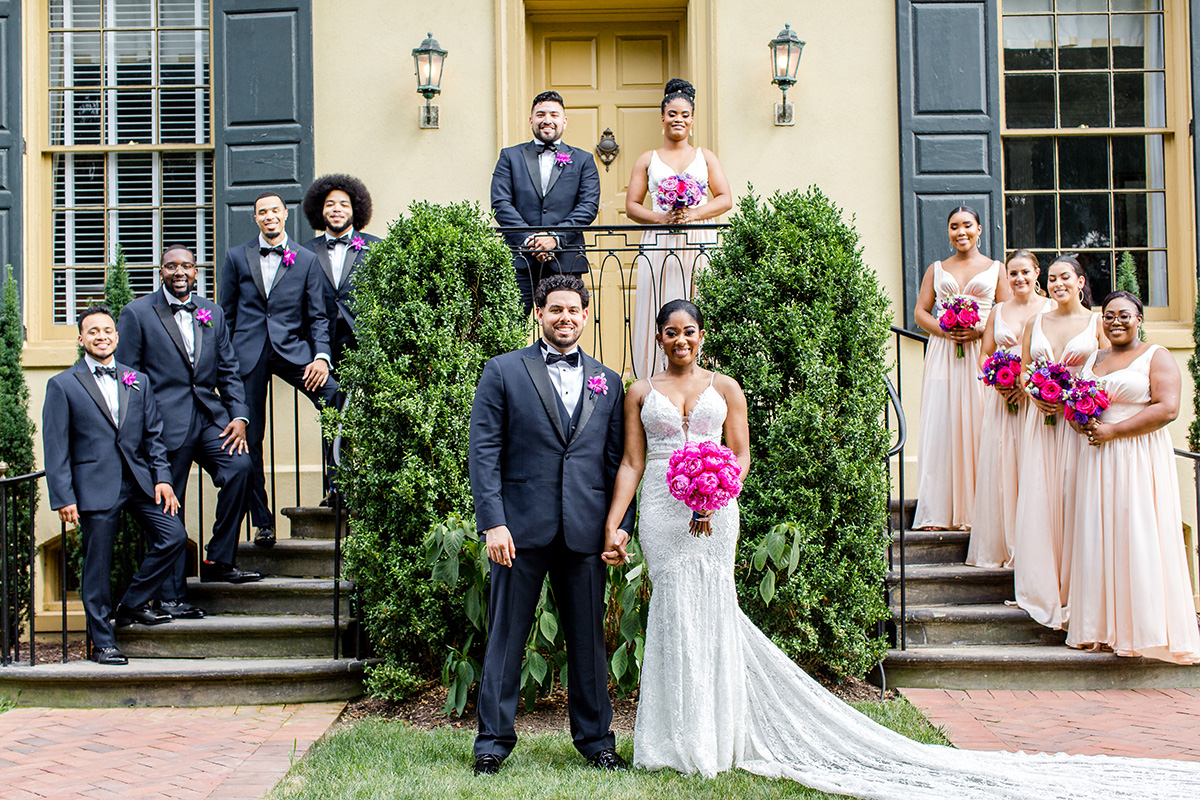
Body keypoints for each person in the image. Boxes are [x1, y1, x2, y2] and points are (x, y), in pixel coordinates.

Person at [600, 299, 1200, 797]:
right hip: (661, 511)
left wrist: (715, 494)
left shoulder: (726, 387)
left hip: (714, 512)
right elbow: (633, 461)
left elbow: (741, 455)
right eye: (670, 333)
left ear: (702, 337)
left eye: (689, 332)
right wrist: (615, 524)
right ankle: (670, 738)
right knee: (672, 610)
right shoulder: (638, 391)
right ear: (659, 337)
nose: (680, 340)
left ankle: (716, 733)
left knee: (712, 609)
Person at [468, 274, 634, 775]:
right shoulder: (502, 371)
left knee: (588, 644)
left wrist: (620, 525)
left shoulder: (608, 380)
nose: (565, 317)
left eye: (574, 310)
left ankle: (598, 742)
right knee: (505, 639)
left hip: (585, 533)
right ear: (538, 313)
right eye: (554, 309)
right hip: (517, 532)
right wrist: (493, 523)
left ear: (586, 316)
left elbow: (617, 461)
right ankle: (492, 744)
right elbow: (484, 452)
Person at [43, 304, 187, 666]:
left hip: (139, 482)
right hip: (94, 485)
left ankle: (132, 604)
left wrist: (163, 480)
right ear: (81, 339)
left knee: (174, 537)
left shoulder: (137, 380)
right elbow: (56, 446)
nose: (101, 337)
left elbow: (154, 437)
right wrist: (63, 496)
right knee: (96, 568)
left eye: (107, 331)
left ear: (116, 336)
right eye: (93, 332)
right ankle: (102, 643)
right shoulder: (62, 385)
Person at [117, 244, 262, 594]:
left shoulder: (211, 312)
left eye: (186, 266)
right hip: (164, 424)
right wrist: (141, 428)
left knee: (240, 469)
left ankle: (218, 560)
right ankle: (171, 596)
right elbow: (128, 378)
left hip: (210, 417)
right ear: (161, 271)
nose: (179, 272)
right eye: (171, 267)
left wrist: (239, 416)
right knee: (171, 504)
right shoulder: (138, 314)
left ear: (196, 272)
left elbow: (228, 369)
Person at [1066, 291, 1200, 664]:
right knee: (1098, 535)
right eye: (1108, 316)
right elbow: (1078, 403)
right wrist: (1082, 422)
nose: (1116, 322)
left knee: (1137, 534)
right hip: (1096, 457)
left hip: (1137, 457)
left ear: (1139, 319)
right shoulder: (1094, 358)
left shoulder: (1156, 357)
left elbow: (1168, 409)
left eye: (1124, 315)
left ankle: (1143, 630)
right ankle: (1102, 628)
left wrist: (1115, 431)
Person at [218, 191, 340, 548]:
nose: (269, 216)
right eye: (262, 212)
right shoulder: (237, 257)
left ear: (285, 214)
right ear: (255, 218)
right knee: (249, 434)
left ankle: (336, 490)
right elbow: (226, 316)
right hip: (247, 353)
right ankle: (263, 522)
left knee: (335, 398)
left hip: (292, 351)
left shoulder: (305, 259)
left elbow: (318, 315)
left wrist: (320, 356)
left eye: (274, 210)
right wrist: (224, 367)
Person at [1012, 254, 1105, 630]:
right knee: (1041, 497)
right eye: (1051, 278)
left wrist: (1083, 398)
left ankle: (1078, 588)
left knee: (1073, 497)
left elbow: (1109, 369)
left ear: (1081, 282)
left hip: (1079, 425)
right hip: (1042, 421)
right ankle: (1043, 586)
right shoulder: (1035, 322)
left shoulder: (1097, 322)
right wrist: (1036, 395)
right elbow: (1022, 372)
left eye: (1065, 277)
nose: (1058, 284)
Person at [626, 78, 731, 379]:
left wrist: (694, 214)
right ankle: (652, 376)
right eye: (672, 114)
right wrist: (662, 217)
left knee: (699, 299)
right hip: (660, 241)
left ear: (692, 120)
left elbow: (725, 198)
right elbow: (633, 206)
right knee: (661, 300)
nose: (678, 120)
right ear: (662, 119)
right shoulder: (647, 159)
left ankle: (704, 376)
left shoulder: (705, 156)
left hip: (699, 239)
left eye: (685, 115)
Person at [912, 206, 1008, 531]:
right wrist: (945, 329)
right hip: (943, 352)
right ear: (949, 232)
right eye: (954, 226)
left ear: (980, 229)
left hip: (981, 352)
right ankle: (938, 512)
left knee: (979, 423)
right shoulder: (936, 269)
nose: (961, 232)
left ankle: (977, 512)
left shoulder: (997, 269)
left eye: (967, 225)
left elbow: (1008, 314)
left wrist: (980, 331)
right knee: (943, 424)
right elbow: (920, 312)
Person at [966, 250, 1052, 568]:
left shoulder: (1050, 309)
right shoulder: (998, 311)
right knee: (1004, 467)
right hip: (1003, 402)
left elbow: (1054, 354)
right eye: (1013, 274)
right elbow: (985, 354)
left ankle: (1035, 549)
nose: (1019, 279)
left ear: (1036, 273)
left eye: (1025, 272)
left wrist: (1027, 385)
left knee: (1034, 468)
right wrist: (999, 381)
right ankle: (1004, 543)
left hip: (1037, 402)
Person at [491, 90, 601, 316]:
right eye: (540, 114)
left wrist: (555, 238)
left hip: (565, 260)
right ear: (531, 120)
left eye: (554, 114)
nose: (547, 120)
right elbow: (500, 203)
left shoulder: (583, 160)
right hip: (518, 259)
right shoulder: (510, 156)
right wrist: (530, 240)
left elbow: (588, 206)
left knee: (563, 326)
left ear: (564, 121)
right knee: (510, 323)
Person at [301, 174, 382, 372]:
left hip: (363, 338)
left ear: (355, 210)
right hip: (321, 343)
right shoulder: (304, 252)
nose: (337, 209)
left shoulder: (376, 247)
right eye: (330, 204)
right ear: (320, 210)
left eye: (344, 204)